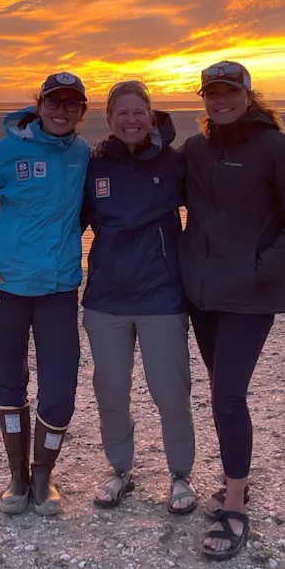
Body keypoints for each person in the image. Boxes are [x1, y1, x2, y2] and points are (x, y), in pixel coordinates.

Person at [180, 61, 285, 560]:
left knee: (226, 396)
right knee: (224, 390)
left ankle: (235, 503)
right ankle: (236, 477)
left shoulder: (280, 150)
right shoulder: (196, 149)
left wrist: (260, 269)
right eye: (210, 93)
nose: (219, 101)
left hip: (249, 297)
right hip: (201, 296)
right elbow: (151, 187)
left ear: (247, 94)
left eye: (228, 92)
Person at [0, 72, 90, 516]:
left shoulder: (83, 155)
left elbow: (85, 209)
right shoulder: (8, 150)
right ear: (39, 105)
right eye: (54, 102)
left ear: (82, 112)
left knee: (61, 388)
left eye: (71, 104)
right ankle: (17, 476)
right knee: (10, 380)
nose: (61, 111)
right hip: (4, 291)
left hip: (60, 289)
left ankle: (44, 476)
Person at [81, 81, 197, 514]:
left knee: (170, 391)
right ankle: (120, 469)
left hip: (162, 297)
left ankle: (180, 474)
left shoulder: (175, 163)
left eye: (139, 112)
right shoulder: (93, 166)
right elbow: (61, 216)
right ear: (108, 120)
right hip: (106, 298)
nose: (131, 120)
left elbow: (216, 208)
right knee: (110, 389)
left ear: (151, 116)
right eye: (122, 113)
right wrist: (11, 212)